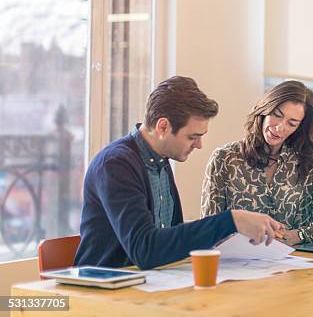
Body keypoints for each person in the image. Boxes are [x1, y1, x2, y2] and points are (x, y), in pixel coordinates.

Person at [74, 76, 282, 270]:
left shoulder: (160, 160)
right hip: (104, 292)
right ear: (163, 126)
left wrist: (228, 232)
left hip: (148, 283)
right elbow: (145, 250)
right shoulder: (116, 165)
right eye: (192, 137)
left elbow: (169, 237)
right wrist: (230, 220)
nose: (199, 145)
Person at [201, 80, 313, 246]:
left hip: (295, 264)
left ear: (300, 127)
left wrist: (299, 235)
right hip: (237, 264)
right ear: (265, 109)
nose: (280, 127)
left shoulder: (308, 161)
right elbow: (208, 228)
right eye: (277, 115)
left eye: (291, 123)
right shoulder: (224, 159)